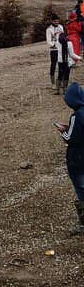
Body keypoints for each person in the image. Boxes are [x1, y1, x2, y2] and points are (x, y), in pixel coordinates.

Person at [57, 82, 84, 231]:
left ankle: (83, 223)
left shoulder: (76, 115)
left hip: (78, 160)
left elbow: (70, 138)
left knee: (81, 189)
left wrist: (63, 131)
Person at [48, 16, 65, 87]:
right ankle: (53, 83)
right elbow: (48, 41)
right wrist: (54, 45)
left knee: (61, 65)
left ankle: (60, 81)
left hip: (61, 49)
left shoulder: (61, 27)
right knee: (53, 66)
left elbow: (63, 36)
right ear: (52, 21)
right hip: (54, 50)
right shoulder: (49, 29)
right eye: (55, 21)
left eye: (57, 21)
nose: (57, 22)